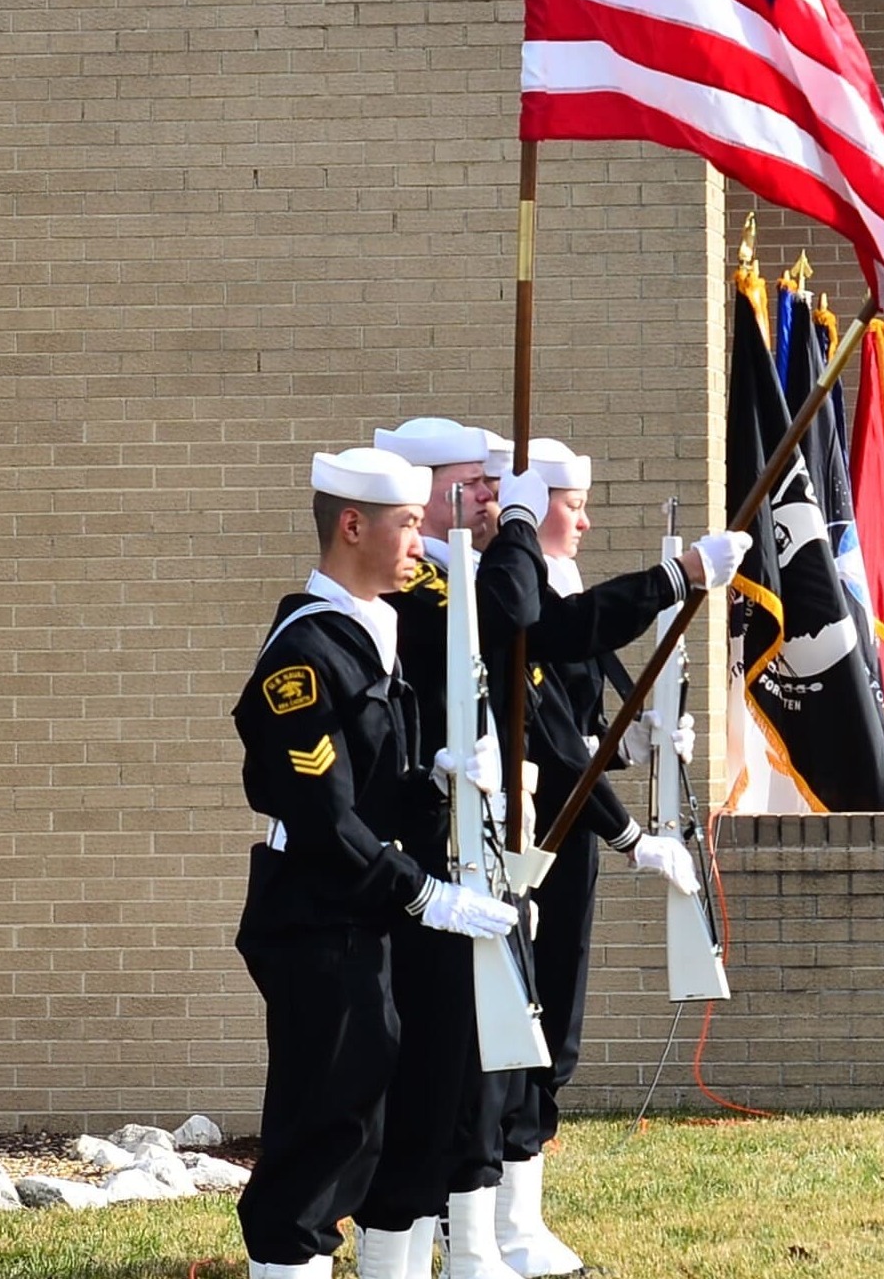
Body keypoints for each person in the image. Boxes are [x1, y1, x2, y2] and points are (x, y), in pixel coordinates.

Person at [233, 447, 518, 1279]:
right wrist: (423, 892)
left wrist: (436, 781)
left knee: (375, 1123)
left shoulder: (372, 637)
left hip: (361, 919)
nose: (420, 545)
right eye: (405, 527)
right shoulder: (305, 655)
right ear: (351, 526)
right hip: (316, 919)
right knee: (321, 1133)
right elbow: (322, 815)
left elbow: (373, 786)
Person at [494, 436, 747, 1277]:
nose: (586, 520)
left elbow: (589, 710)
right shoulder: (518, 591)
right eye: (572, 504)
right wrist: (631, 836)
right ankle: (493, 1220)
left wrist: (640, 739)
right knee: (522, 1025)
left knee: (552, 1023)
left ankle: (514, 1213)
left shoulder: (552, 584)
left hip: (566, 835)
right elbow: (557, 741)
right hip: (538, 832)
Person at [354, 417, 548, 1279]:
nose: (490, 499)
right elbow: (507, 609)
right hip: (420, 848)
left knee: (482, 1054)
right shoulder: (423, 583)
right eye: (475, 485)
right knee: (437, 1060)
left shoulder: (450, 574)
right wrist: (515, 531)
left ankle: (466, 1238)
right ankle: (420, 1237)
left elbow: (538, 628)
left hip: (476, 836)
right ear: (429, 493)